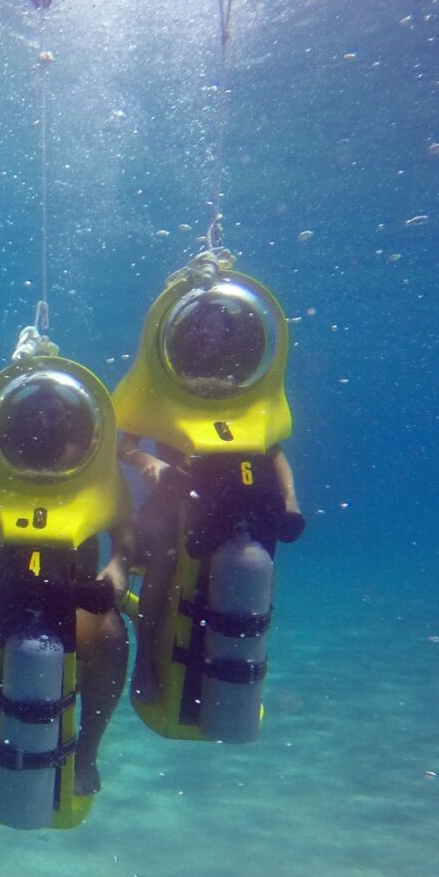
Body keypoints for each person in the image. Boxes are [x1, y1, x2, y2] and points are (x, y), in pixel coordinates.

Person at [113, 255, 304, 709]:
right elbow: (123, 444)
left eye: (216, 326)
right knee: (162, 557)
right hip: (173, 496)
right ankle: (148, 661)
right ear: (178, 331)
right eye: (197, 326)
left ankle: (235, 665)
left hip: (237, 498)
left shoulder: (245, 385)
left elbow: (274, 453)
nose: (205, 334)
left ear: (232, 332)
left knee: (256, 568)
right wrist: (148, 465)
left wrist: (291, 502)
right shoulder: (159, 380)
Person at [0, 362, 132, 797]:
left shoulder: (96, 467)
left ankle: (88, 751)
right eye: (33, 412)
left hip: (78, 593)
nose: (43, 421)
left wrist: (116, 570)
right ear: (14, 417)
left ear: (73, 419)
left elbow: (125, 533)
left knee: (110, 640)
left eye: (54, 412)